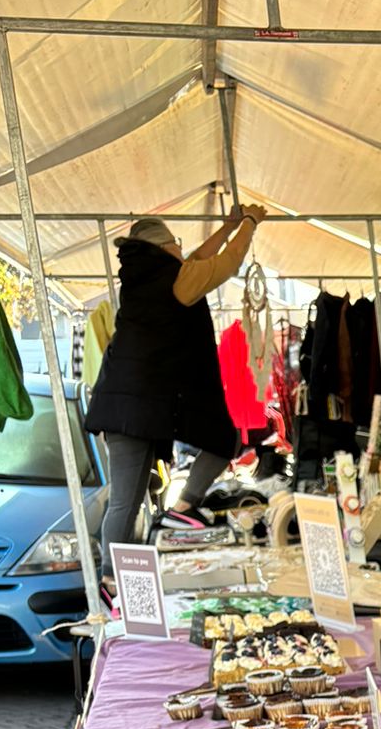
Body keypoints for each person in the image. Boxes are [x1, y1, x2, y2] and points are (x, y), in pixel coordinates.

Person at [86, 206, 266, 548]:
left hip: (126, 404)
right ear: (164, 247)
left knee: (128, 499)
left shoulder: (147, 275)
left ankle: (119, 577)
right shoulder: (175, 280)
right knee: (220, 441)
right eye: (175, 244)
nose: (181, 250)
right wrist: (249, 224)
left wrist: (229, 226)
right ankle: (179, 511)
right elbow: (226, 264)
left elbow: (197, 260)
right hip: (137, 408)